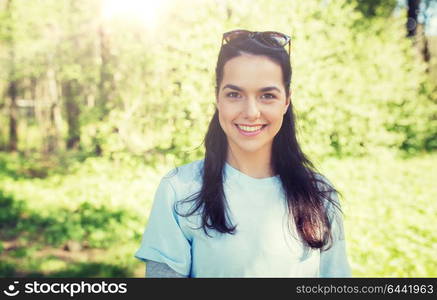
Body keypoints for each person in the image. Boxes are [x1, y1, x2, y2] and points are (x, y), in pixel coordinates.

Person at [134, 29, 352, 278]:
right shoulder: (178, 190)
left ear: (287, 101)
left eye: (267, 95)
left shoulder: (320, 194)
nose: (251, 111)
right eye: (234, 94)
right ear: (218, 98)